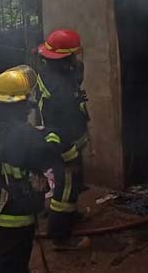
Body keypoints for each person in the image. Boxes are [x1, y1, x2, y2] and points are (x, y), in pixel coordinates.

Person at [0, 65, 64, 273]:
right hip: (16, 217)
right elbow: (48, 158)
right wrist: (53, 135)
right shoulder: (26, 136)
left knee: (11, 258)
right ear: (17, 105)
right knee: (10, 264)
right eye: (26, 102)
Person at [33, 28, 91, 251]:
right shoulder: (61, 88)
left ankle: (70, 216)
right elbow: (66, 118)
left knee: (74, 182)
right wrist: (68, 148)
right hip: (64, 142)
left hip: (67, 138)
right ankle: (60, 237)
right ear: (65, 58)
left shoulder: (51, 73)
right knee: (66, 187)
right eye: (73, 55)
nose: (77, 58)